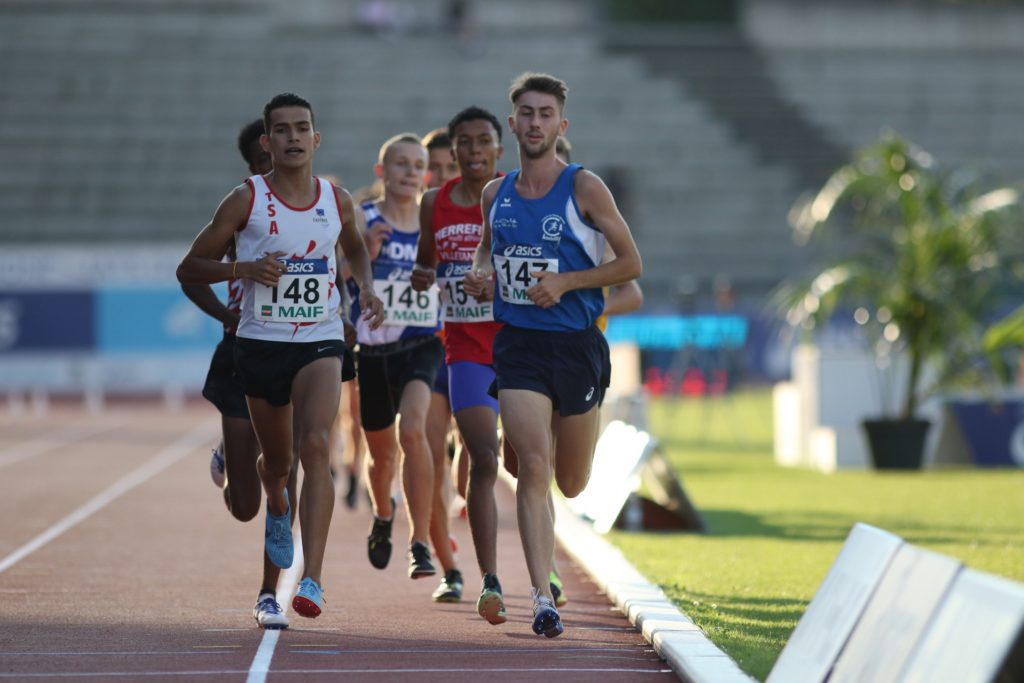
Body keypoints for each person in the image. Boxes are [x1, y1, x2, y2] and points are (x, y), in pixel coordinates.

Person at [177, 93, 384, 621]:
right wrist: (241, 272)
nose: (293, 137)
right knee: (274, 470)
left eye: (302, 129)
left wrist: (366, 287)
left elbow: (355, 246)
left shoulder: (335, 200)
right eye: (282, 130)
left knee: (315, 445)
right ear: (267, 142)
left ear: (316, 139)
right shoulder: (245, 200)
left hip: (320, 341)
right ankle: (275, 502)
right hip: (259, 344)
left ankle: (311, 579)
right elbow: (190, 267)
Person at [465, 73, 642, 637]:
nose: (535, 122)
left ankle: (546, 565)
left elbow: (631, 265)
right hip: (519, 345)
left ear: (560, 125)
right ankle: (542, 594)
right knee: (533, 468)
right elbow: (487, 250)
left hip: (577, 346)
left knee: (571, 481)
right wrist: (479, 274)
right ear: (511, 122)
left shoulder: (585, 188)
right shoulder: (497, 193)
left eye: (546, 114)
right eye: (526, 112)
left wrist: (567, 283)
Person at [180, 118, 297, 630]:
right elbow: (190, 271)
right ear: (253, 165)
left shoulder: (318, 206)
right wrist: (229, 308)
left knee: (286, 471)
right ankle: (232, 455)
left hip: (299, 348)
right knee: (245, 505)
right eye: (263, 159)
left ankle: (269, 593)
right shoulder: (243, 208)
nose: (274, 165)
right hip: (242, 350)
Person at [412, 106, 508, 622]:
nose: (472, 152)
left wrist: (498, 283)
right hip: (464, 347)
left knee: (532, 465)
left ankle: (546, 572)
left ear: (498, 147)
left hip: (520, 346)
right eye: (463, 144)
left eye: (483, 142)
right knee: (484, 457)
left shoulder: (514, 198)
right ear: (453, 152)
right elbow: (426, 262)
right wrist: (425, 276)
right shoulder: (435, 203)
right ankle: (487, 578)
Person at [348, 133, 450, 583]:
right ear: (382, 172)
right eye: (400, 164)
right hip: (372, 351)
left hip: (421, 342)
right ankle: (384, 513)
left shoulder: (435, 224)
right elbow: (335, 274)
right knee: (381, 457)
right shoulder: (362, 218)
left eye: (417, 165)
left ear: (426, 174)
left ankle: (419, 542)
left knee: (413, 431)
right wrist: (364, 254)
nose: (410, 173)